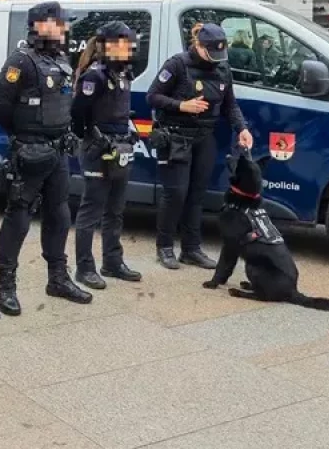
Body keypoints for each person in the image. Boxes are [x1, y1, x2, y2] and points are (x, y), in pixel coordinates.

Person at [0, 1, 93, 315]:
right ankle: (6, 285)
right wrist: (23, 136)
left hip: (58, 151)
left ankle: (57, 278)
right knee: (19, 218)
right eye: (59, 23)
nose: (64, 28)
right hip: (31, 152)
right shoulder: (21, 61)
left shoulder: (60, 59)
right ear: (41, 25)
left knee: (60, 216)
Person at [146, 23, 253, 271]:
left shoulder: (222, 68)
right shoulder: (177, 64)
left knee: (196, 195)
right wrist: (182, 106)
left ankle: (191, 249)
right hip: (176, 137)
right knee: (175, 194)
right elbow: (152, 96)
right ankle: (164, 247)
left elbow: (230, 105)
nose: (214, 59)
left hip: (204, 137)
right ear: (198, 45)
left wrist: (242, 129)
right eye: (210, 53)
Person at [71, 21, 144, 289]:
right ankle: (84, 268)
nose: (128, 47)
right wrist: (92, 138)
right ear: (108, 45)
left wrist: (129, 131)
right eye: (123, 42)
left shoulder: (124, 74)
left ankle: (112, 262)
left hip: (119, 149)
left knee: (115, 210)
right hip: (96, 150)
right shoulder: (95, 76)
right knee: (91, 210)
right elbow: (78, 114)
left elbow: (122, 112)